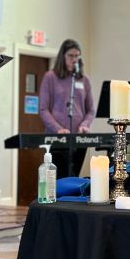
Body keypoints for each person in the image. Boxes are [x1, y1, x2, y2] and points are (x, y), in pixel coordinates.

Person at [38, 38, 95, 176]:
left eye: (77, 56)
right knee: (59, 178)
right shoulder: (50, 77)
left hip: (79, 138)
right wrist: (58, 129)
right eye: (70, 56)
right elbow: (43, 109)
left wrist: (85, 124)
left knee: (74, 177)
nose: (74, 59)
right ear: (62, 56)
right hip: (57, 137)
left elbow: (91, 109)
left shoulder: (84, 79)